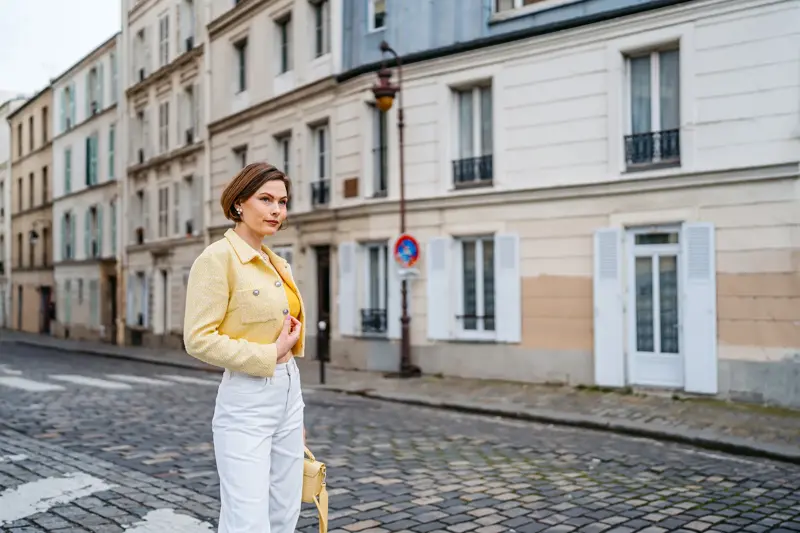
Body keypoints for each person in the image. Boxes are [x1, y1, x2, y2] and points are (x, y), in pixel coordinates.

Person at [183, 162, 306, 533]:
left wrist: (292, 411)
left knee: (285, 514)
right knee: (248, 521)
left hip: (289, 393)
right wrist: (268, 355)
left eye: (282, 202)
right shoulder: (217, 259)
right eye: (265, 199)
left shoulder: (276, 261)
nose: (276, 210)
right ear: (238, 204)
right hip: (246, 400)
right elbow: (198, 339)